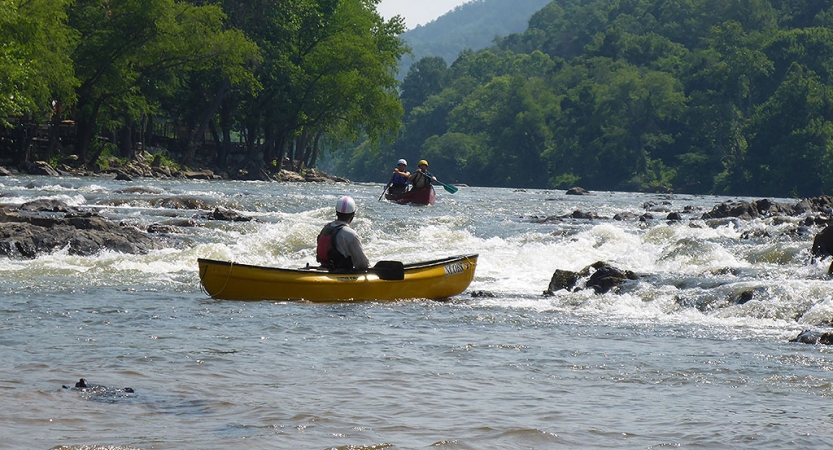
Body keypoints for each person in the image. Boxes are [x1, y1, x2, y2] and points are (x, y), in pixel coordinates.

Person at [316, 196, 370, 271]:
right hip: (340, 274)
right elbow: (362, 264)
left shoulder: (326, 228)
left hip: (323, 269)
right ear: (353, 215)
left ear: (336, 212)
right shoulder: (351, 235)